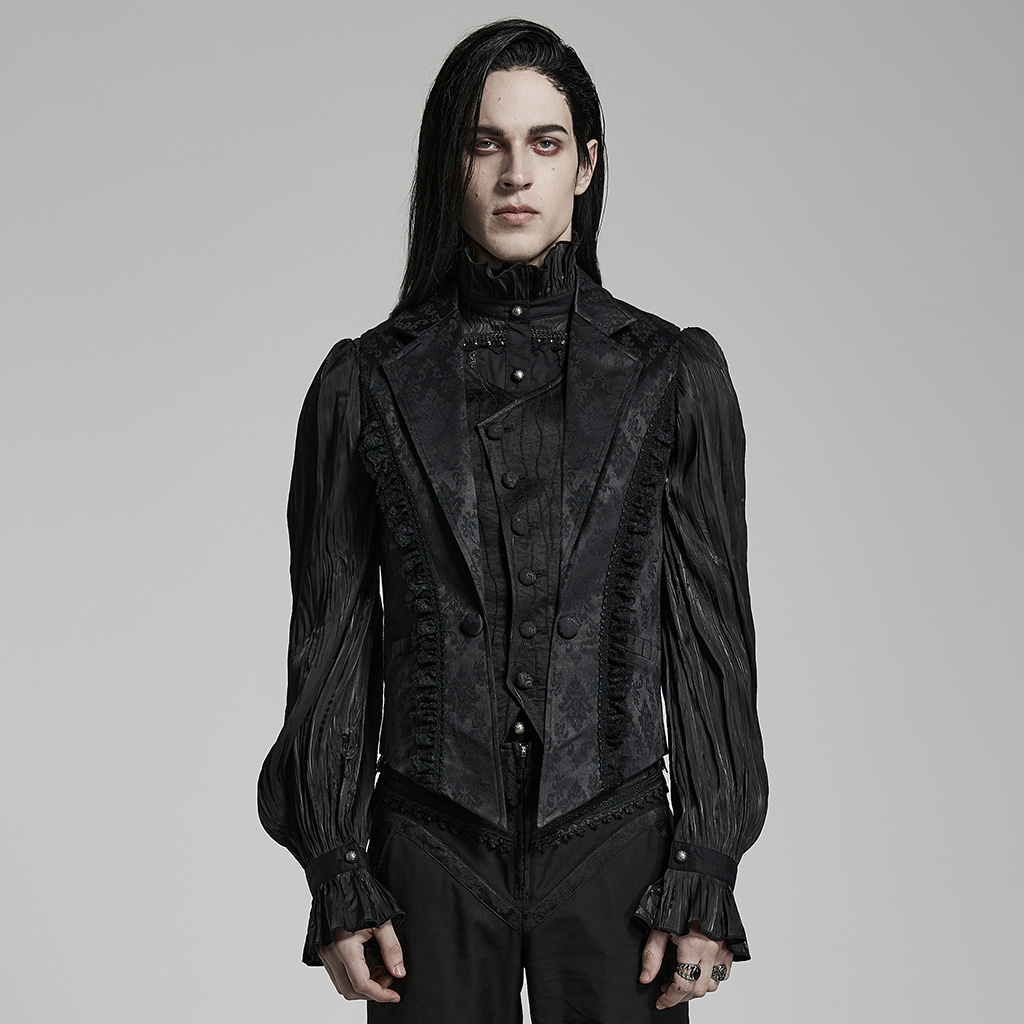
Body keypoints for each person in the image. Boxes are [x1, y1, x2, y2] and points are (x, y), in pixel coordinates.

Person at [258, 18, 769, 1022]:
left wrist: (707, 864)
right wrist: (337, 865)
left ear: (586, 166)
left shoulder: (669, 376)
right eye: (485, 142)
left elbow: (711, 640)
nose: (515, 174)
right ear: (448, 164)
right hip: (427, 851)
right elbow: (330, 640)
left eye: (544, 142)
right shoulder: (366, 382)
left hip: (618, 845)